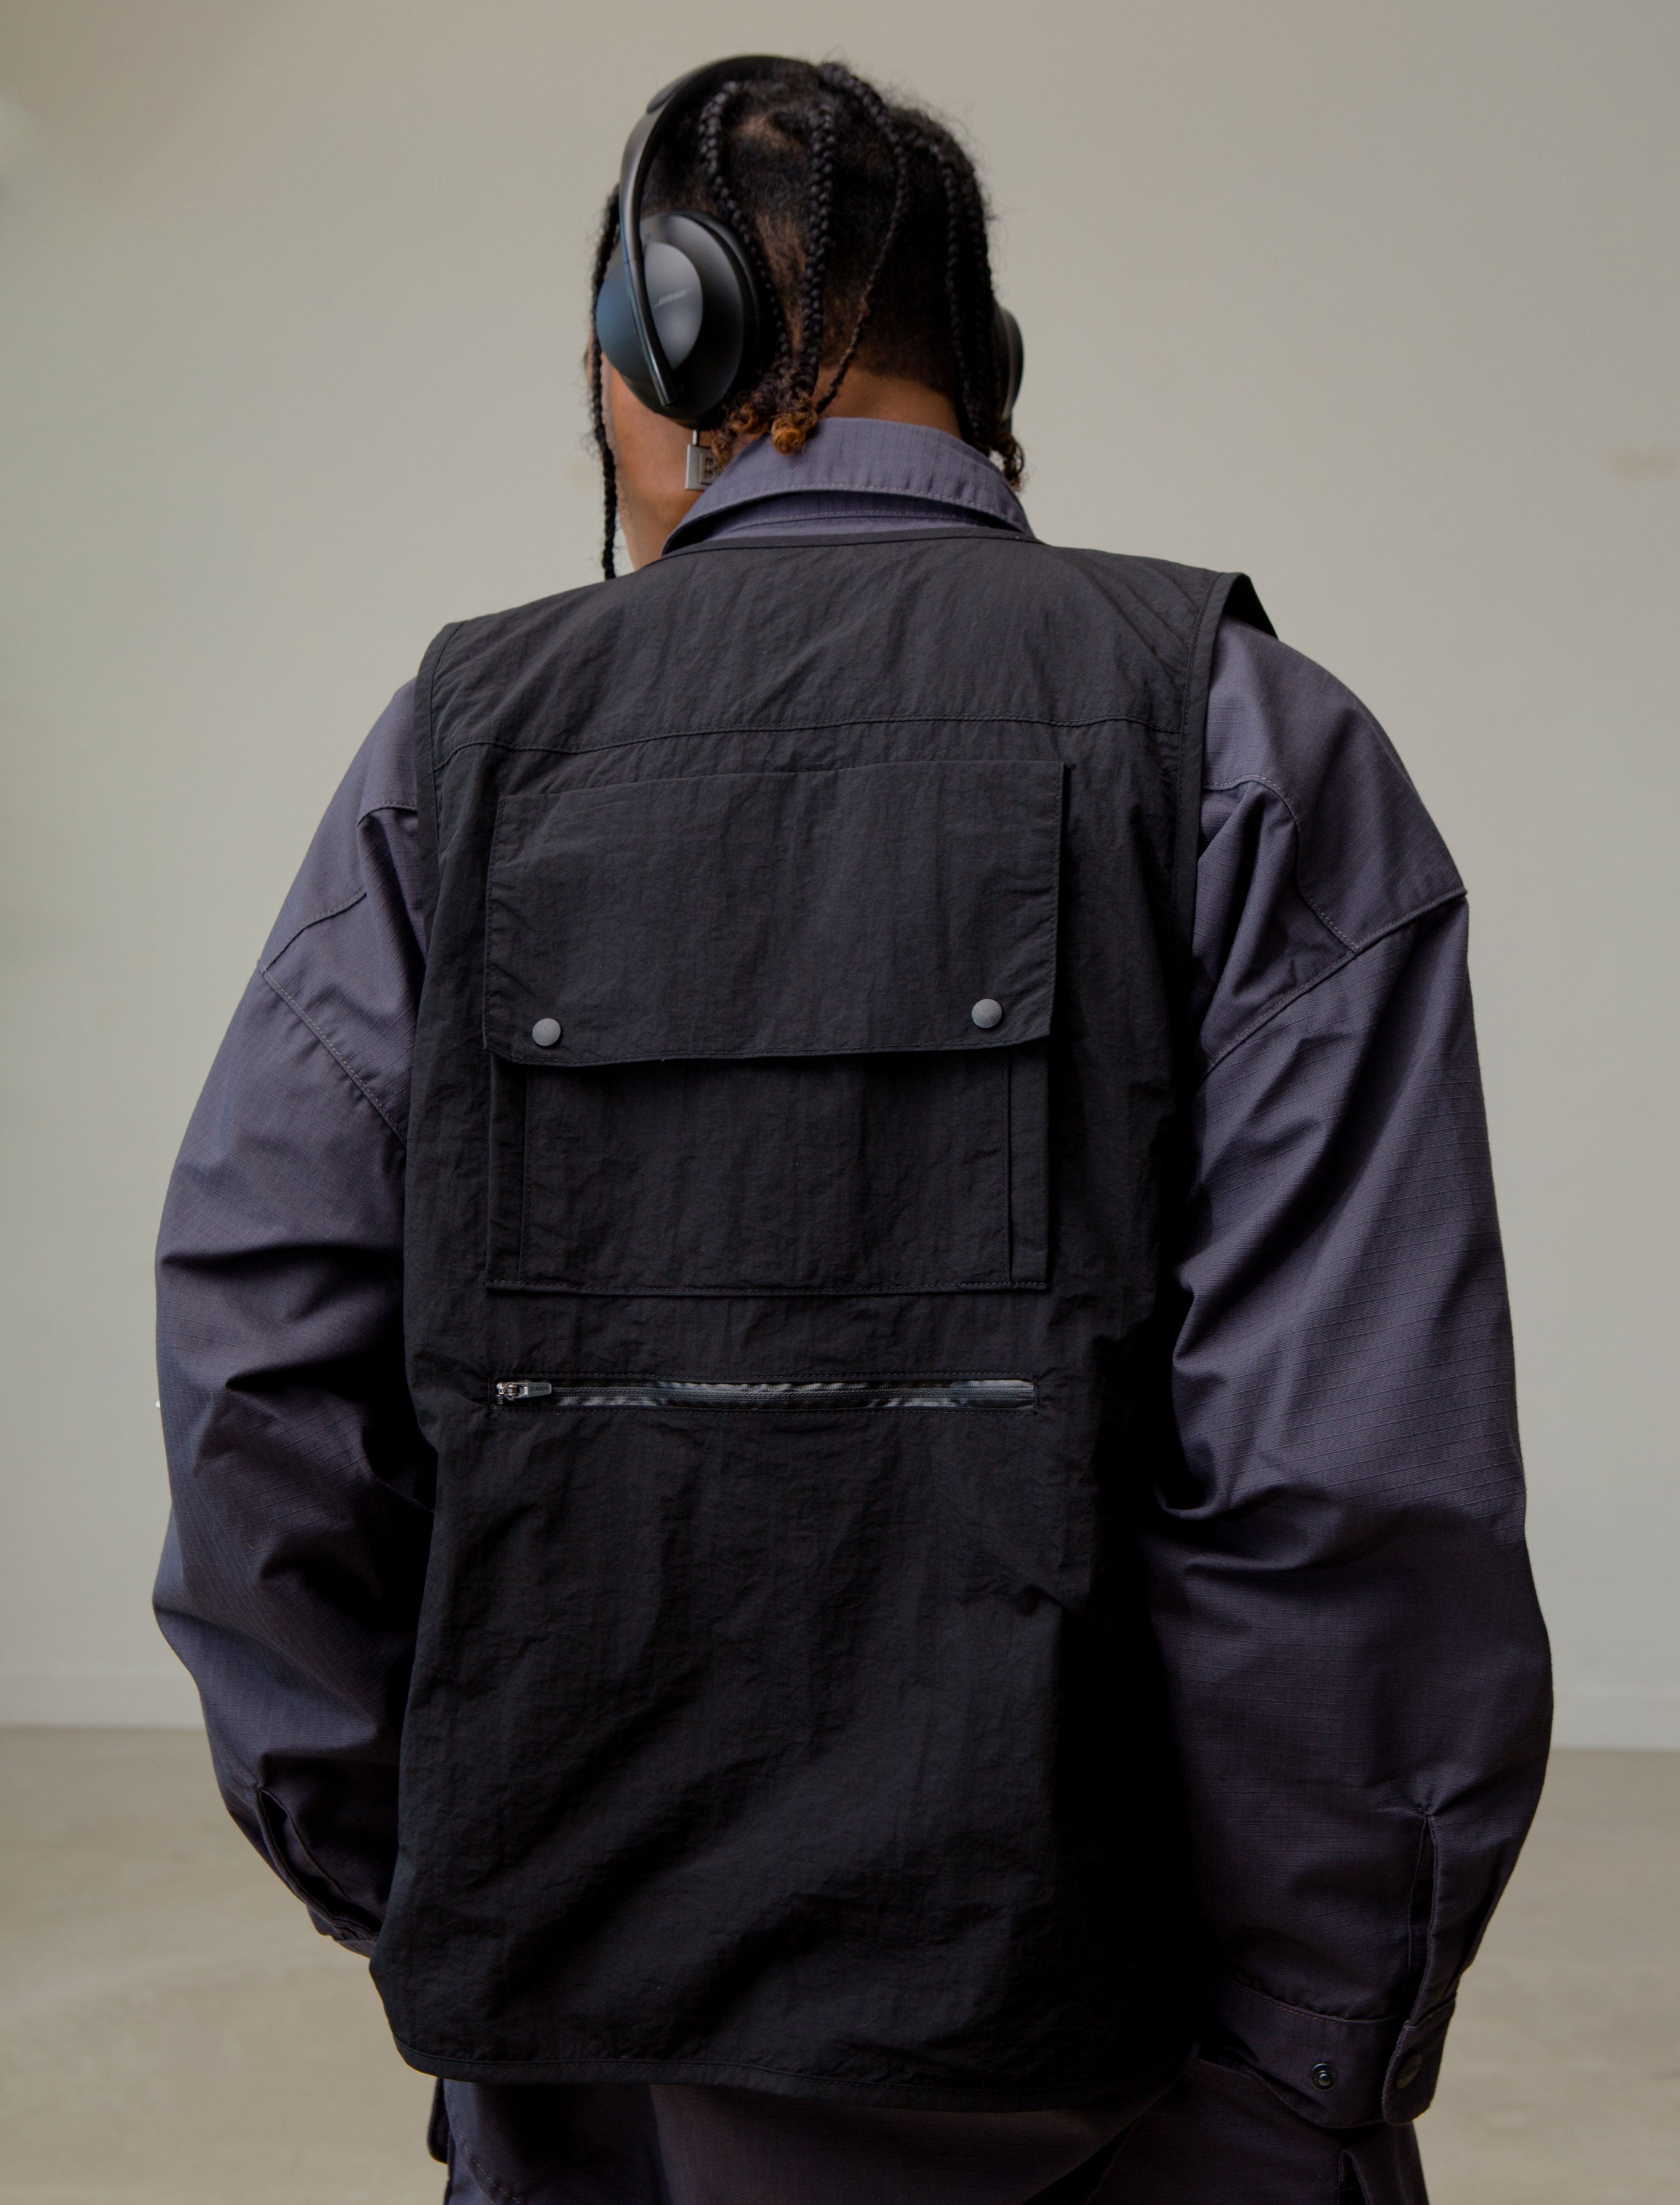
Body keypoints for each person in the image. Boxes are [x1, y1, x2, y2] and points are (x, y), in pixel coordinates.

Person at [154, 54, 1550, 2205]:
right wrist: (1310, 2058)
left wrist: (424, 1882)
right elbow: (1353, 1489)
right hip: (1156, 2078)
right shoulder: (1250, 740)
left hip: (587, 2064)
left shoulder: (450, 755)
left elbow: (263, 1367)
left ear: (656, 343)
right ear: (986, 369)